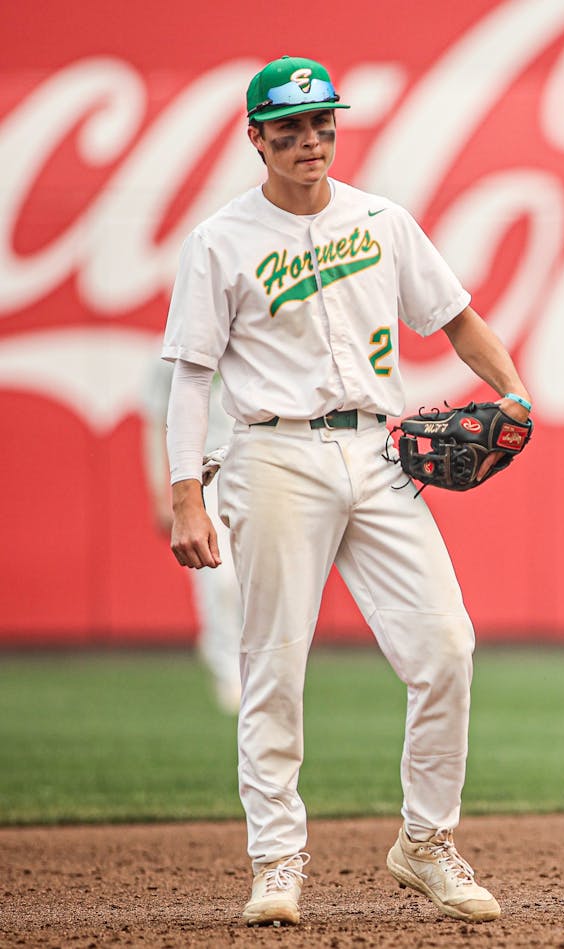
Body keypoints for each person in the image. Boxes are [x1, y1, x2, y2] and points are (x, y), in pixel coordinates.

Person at [162, 55, 533, 927]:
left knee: (446, 647)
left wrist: (513, 393)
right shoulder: (220, 240)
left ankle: (427, 842)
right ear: (256, 139)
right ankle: (276, 861)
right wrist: (186, 495)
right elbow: (190, 377)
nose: (309, 140)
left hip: (379, 453)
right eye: (287, 129)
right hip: (272, 456)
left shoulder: (381, 219)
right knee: (274, 669)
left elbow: (456, 318)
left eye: (321, 123)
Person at [142, 360, 242, 714]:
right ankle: (226, 666)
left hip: (251, 463)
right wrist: (162, 488)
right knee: (220, 577)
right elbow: (157, 422)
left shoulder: (250, 328)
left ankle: (240, 657)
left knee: (252, 579)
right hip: (201, 474)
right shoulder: (168, 351)